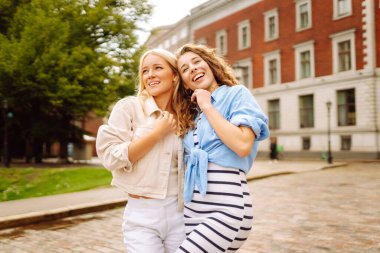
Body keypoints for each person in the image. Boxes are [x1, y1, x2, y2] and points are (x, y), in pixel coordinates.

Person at [173, 44, 269, 253]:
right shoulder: (192, 114)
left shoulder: (236, 95)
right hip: (192, 211)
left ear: (210, 65)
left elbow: (242, 145)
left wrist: (208, 106)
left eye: (197, 61)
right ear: (185, 84)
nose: (193, 69)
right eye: (185, 69)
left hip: (226, 210)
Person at [96, 48, 185, 253]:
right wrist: (155, 134)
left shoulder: (187, 116)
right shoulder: (129, 107)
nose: (150, 75)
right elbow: (110, 157)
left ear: (174, 75)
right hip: (141, 215)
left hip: (180, 214)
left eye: (157, 68)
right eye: (145, 71)